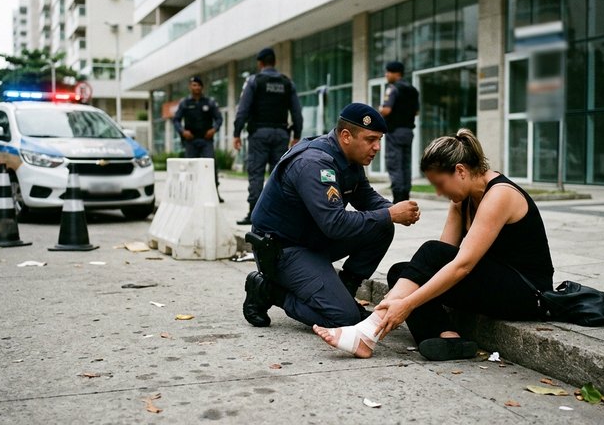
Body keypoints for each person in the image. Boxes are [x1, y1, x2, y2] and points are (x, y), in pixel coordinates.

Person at [313, 129, 555, 361]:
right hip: (493, 282)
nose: (439, 193)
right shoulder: (462, 200)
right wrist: (407, 297)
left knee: (426, 259)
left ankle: (368, 333)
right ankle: (448, 338)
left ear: (460, 170)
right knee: (400, 272)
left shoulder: (500, 195)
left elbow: (461, 265)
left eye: (440, 184)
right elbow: (440, 260)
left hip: (526, 293)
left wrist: (407, 304)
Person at [242, 103, 421, 329]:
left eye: (379, 140)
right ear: (346, 136)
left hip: (313, 239)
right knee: (344, 319)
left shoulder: (348, 158)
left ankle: (345, 292)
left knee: (382, 226)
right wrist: (389, 214)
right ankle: (268, 291)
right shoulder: (314, 163)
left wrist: (396, 210)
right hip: (283, 249)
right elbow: (335, 224)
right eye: (370, 139)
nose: (377, 147)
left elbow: (366, 197)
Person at [233, 47, 304, 225]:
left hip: (259, 134)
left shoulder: (254, 81)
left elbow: (243, 110)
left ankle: (254, 213)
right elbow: (297, 113)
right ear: (274, 62)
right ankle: (277, 214)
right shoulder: (287, 83)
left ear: (260, 63)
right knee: (278, 175)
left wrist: (236, 133)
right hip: (281, 134)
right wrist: (297, 134)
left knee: (256, 173)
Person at [172, 76, 224, 202]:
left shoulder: (209, 102)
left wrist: (214, 129)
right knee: (190, 167)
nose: (196, 88)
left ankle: (214, 193)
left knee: (210, 166)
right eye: (194, 85)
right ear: (190, 87)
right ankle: (190, 194)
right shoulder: (185, 103)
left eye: (199, 85)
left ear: (202, 87)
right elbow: (176, 120)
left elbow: (219, 118)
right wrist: (182, 131)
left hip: (206, 140)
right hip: (191, 140)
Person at [380, 61, 419, 203]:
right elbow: (417, 112)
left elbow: (386, 110)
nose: (386, 75)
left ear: (396, 74)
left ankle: (398, 199)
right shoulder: (413, 90)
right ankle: (406, 196)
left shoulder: (392, 89)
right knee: (405, 164)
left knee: (394, 163)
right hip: (408, 132)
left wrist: (379, 110)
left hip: (394, 131)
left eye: (388, 72)